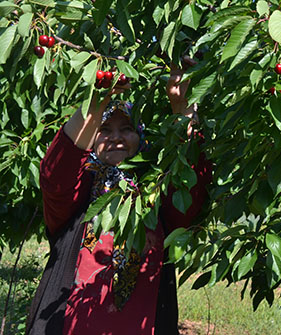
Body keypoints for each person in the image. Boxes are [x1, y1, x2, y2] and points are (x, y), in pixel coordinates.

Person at [26, 62, 212, 334]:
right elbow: (56, 171)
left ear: (141, 136)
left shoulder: (155, 194)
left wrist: (182, 106)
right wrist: (97, 102)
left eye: (126, 128)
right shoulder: (78, 195)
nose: (115, 138)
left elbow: (191, 184)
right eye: (104, 130)